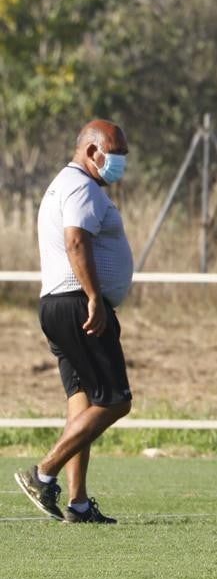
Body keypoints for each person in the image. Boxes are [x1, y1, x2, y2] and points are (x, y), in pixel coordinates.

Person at [15, 119, 134, 524]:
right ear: (91, 152)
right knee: (116, 399)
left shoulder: (65, 184)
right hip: (77, 303)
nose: (120, 163)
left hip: (58, 304)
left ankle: (79, 503)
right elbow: (76, 240)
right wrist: (96, 298)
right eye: (114, 155)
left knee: (82, 401)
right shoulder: (81, 186)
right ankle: (42, 473)